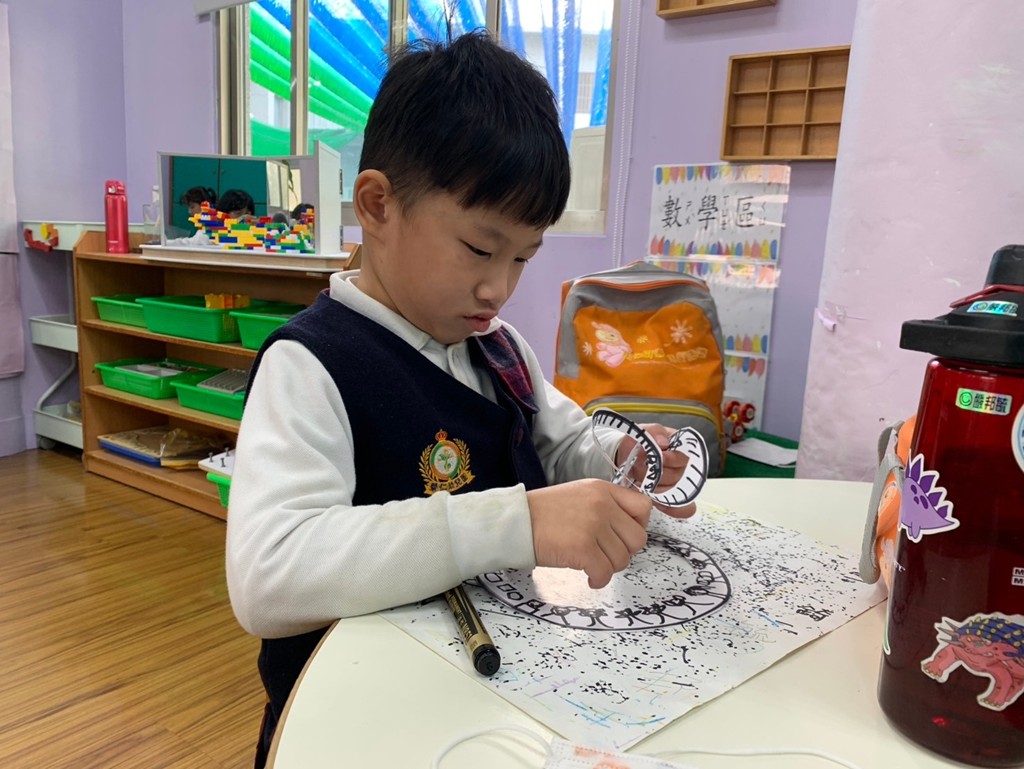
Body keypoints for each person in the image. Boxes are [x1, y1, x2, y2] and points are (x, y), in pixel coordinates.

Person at [225, 31, 694, 767]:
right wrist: (517, 520)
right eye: (480, 249)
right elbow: (269, 576)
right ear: (377, 205)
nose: (498, 287)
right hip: (354, 729)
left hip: (488, 710)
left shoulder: (499, 348)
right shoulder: (311, 365)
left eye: (523, 257)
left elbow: (563, 446)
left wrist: (624, 458)